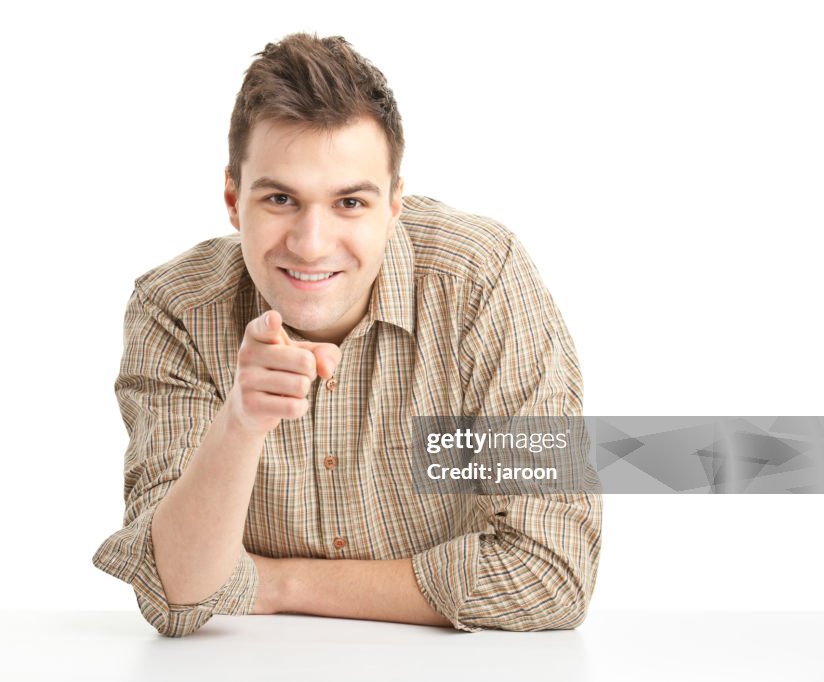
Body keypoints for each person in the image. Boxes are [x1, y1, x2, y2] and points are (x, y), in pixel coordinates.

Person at [92, 32, 602, 638]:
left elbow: (551, 573)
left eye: (350, 203)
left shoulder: (479, 282)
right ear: (233, 198)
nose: (311, 244)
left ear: (394, 203)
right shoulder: (175, 309)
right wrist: (240, 423)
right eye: (281, 198)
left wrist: (280, 584)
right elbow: (176, 593)